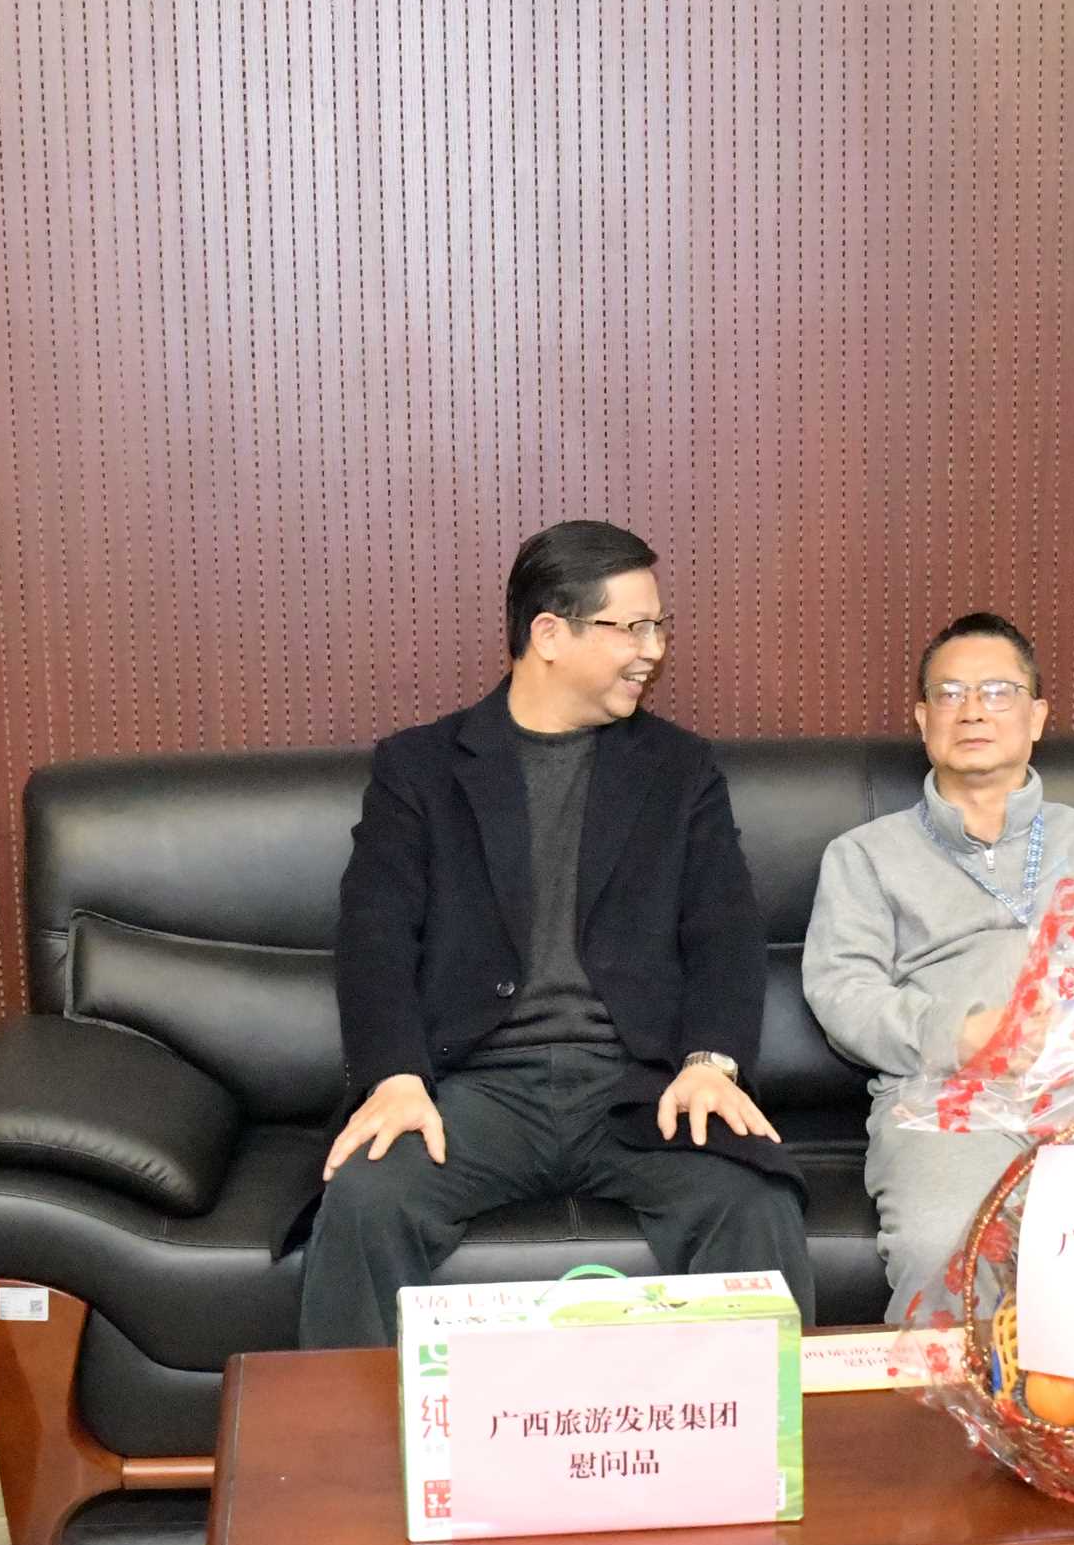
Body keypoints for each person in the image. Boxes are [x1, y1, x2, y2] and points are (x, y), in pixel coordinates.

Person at [298, 519, 818, 1347]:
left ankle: (758, 1435)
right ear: (548, 633)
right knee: (366, 1200)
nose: (652, 649)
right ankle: (349, 1438)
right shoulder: (420, 769)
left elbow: (724, 930)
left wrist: (710, 1061)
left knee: (751, 1199)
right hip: (475, 1086)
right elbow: (375, 934)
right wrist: (393, 1075)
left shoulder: (678, 769)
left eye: (659, 626)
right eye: (631, 627)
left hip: (636, 1086)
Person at [802, 612, 1074, 1315]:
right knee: (945, 1246)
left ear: (1036, 716)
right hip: (943, 1098)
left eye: (997, 691)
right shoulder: (864, 855)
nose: (973, 711)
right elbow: (842, 992)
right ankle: (944, 1395)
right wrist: (961, 1035)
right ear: (923, 719)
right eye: (951, 694)